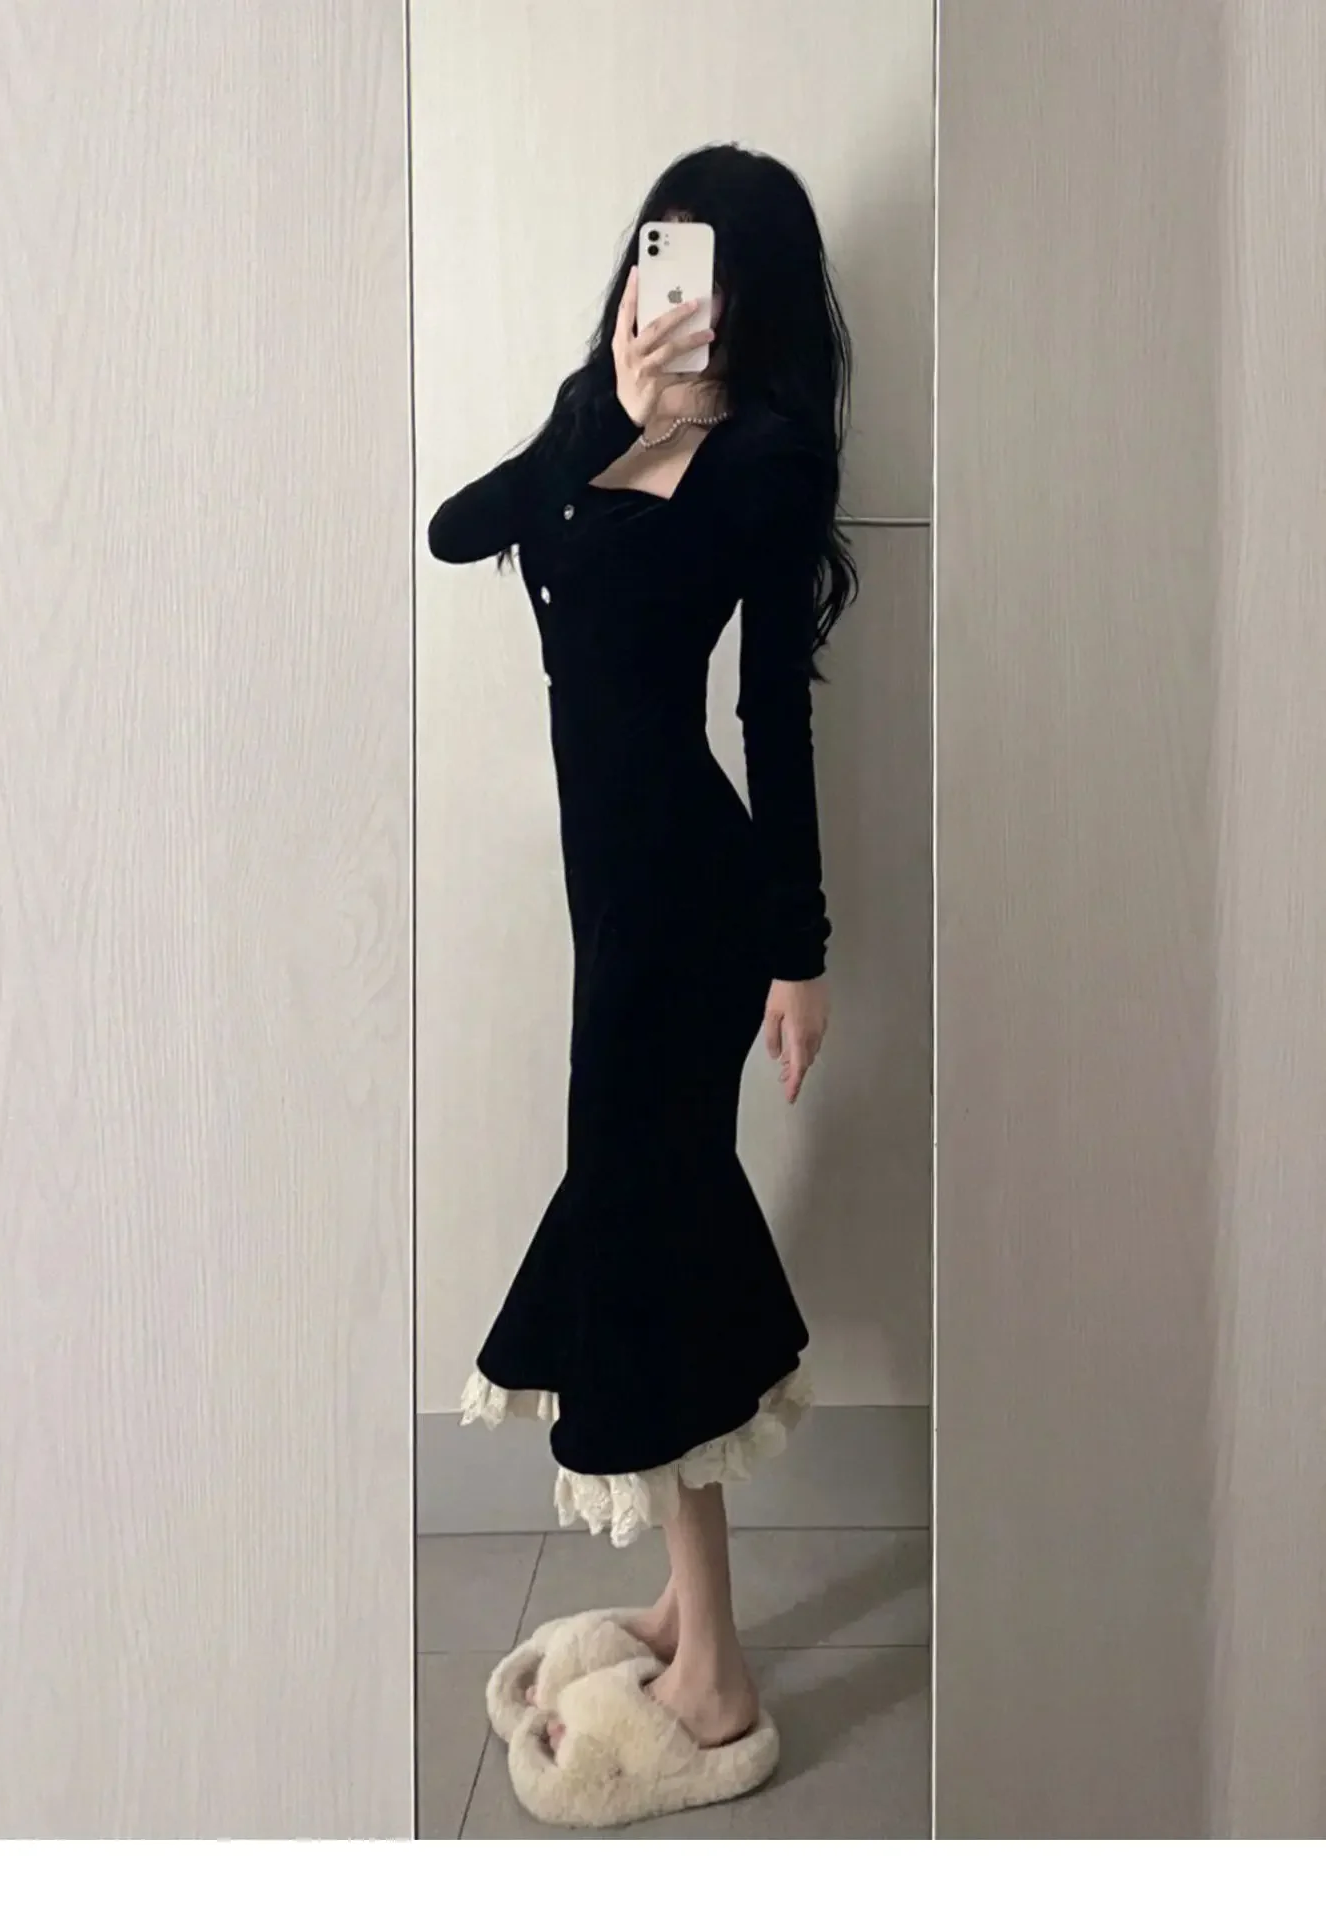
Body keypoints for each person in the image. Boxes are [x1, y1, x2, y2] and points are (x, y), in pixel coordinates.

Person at [427, 143, 856, 1821]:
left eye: (716, 272)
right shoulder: (590, 420)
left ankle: (717, 1676)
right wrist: (603, 413)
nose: (680, 293)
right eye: (664, 254)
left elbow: (772, 715)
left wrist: (800, 950)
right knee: (659, 1216)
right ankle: (686, 1618)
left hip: (690, 900)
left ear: (756, 299)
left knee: (649, 1227)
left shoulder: (765, 460)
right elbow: (463, 532)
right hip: (612, 899)